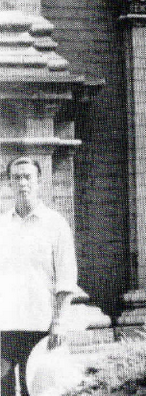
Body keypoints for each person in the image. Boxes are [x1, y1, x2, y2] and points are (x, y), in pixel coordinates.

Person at [0, 157, 78, 396]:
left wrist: (59, 322)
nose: (22, 183)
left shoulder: (56, 224)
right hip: (5, 326)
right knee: (3, 389)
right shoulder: (2, 225)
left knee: (35, 389)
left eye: (28, 177)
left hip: (41, 325)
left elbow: (66, 278)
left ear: (39, 182)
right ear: (9, 183)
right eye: (16, 177)